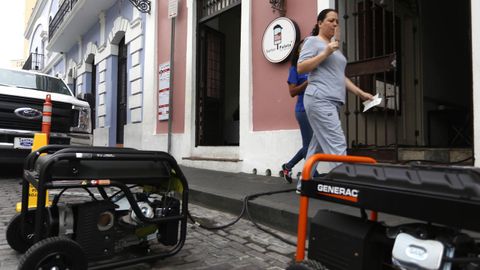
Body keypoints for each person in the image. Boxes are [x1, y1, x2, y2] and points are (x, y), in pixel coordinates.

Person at [297, 9, 373, 185]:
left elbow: (340, 76)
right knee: (337, 143)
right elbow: (301, 68)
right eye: (331, 20)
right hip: (319, 99)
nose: (335, 24)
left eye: (337, 21)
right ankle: (347, 186)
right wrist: (325, 53)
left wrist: (361, 93)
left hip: (331, 101)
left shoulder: (335, 48)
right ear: (320, 23)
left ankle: (304, 184)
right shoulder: (313, 42)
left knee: (315, 147)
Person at [281, 40, 313, 183]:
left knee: (310, 145)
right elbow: (292, 92)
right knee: (309, 146)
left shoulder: (312, 66)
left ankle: (288, 166)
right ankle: (313, 174)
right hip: (303, 111)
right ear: (299, 51)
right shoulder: (294, 69)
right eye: (304, 47)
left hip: (315, 110)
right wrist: (308, 82)